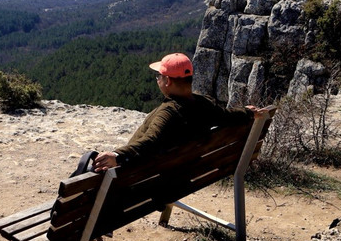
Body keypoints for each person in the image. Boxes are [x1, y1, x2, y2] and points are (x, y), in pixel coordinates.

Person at [92, 53, 261, 173]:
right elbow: (226, 116)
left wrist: (117, 155)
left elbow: (151, 141)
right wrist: (247, 112)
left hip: (147, 180)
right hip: (183, 174)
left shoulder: (169, 112)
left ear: (168, 81)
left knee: (88, 162)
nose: (157, 79)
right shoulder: (205, 104)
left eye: (159, 76)